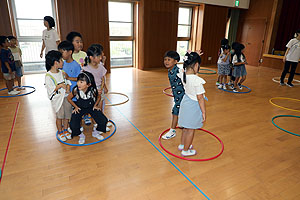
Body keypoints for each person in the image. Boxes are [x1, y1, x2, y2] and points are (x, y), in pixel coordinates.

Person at [67, 71, 108, 144]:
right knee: (73, 124)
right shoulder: (76, 90)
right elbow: (69, 98)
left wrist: (95, 105)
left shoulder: (93, 90)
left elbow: (98, 97)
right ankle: (81, 135)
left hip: (91, 107)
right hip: (80, 107)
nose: (78, 83)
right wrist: (75, 107)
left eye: (82, 82)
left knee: (103, 120)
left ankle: (95, 132)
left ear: (88, 84)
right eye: (78, 81)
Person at [178, 51, 206, 157]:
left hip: (185, 103)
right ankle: (185, 150)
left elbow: (190, 72)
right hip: (193, 107)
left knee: (185, 128)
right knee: (191, 130)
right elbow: (200, 98)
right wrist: (203, 112)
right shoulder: (197, 81)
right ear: (196, 65)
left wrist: (193, 55)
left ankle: (182, 144)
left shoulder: (183, 74)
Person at [82, 44, 112, 131]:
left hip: (99, 89)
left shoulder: (101, 67)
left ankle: (101, 122)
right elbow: (84, 81)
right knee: (94, 108)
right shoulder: (86, 69)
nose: (100, 58)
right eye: (98, 56)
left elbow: (103, 79)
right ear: (91, 57)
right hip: (91, 91)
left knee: (100, 107)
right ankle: (96, 124)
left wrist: (101, 88)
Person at [45, 50, 72, 142]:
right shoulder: (48, 76)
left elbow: (67, 82)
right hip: (58, 100)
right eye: (61, 60)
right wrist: (60, 86)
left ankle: (66, 129)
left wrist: (68, 87)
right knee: (60, 116)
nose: (63, 62)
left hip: (66, 98)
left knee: (67, 115)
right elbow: (51, 90)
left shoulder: (62, 72)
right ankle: (60, 131)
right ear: (56, 63)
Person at [162, 51, 184, 140]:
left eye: (169, 60)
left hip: (182, 95)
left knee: (175, 111)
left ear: (175, 61)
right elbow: (174, 82)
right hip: (177, 94)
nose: (166, 62)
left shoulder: (179, 71)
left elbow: (185, 82)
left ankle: (172, 130)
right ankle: (183, 123)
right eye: (165, 59)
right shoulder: (169, 71)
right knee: (181, 109)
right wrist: (173, 89)